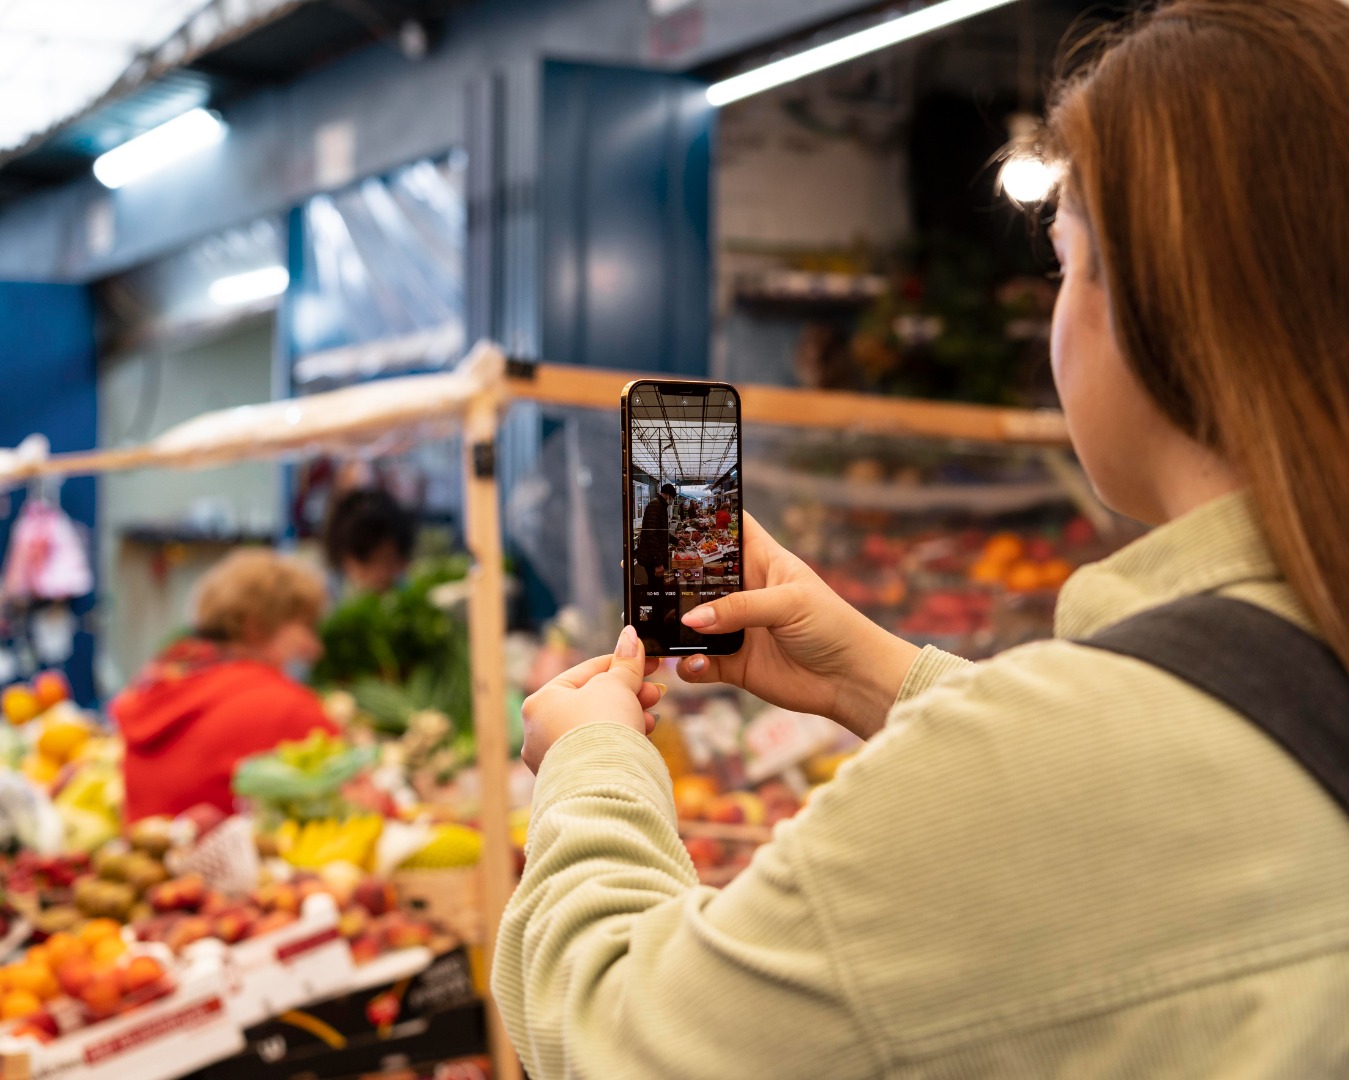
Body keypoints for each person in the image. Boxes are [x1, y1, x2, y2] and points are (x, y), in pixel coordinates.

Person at [493, 3, 1349, 1076]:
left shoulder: (1033, 765)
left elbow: (627, 1035)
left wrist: (592, 761)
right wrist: (879, 678)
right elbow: (1172, 787)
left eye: (1062, 261)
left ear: (1145, 306)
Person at [112, 549, 337, 821]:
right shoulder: (282, 705)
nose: (315, 648)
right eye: (306, 627)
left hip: (141, 856)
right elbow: (358, 798)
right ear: (256, 626)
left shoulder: (159, 680)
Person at [322, 487, 416, 594]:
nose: (379, 574)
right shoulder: (328, 598)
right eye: (366, 561)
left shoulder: (410, 592)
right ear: (343, 558)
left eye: (388, 562)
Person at [635, 483, 676, 586]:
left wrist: (676, 541)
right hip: (651, 559)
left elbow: (660, 533)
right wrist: (658, 563)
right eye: (671, 497)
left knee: (657, 586)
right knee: (655, 587)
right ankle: (655, 602)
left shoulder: (660, 505)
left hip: (652, 557)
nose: (671, 500)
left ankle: (656, 602)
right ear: (668, 495)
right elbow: (651, 536)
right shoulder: (656, 505)